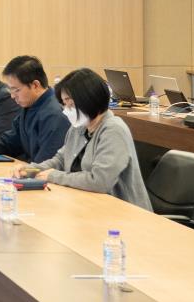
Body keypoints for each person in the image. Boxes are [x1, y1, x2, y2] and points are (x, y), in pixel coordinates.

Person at [20, 68, 152, 209]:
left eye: (70, 103)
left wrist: (53, 176)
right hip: (87, 203)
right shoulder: (78, 127)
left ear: (88, 98)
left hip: (123, 212)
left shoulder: (114, 130)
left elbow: (100, 181)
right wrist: (32, 169)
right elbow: (60, 160)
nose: (66, 109)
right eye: (64, 104)